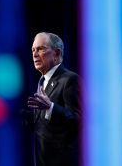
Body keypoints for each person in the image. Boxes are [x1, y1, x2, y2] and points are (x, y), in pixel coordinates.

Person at [25, 32, 81, 166]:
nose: (35, 54)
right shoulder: (41, 82)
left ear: (56, 53)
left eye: (41, 49)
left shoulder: (70, 80)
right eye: (33, 50)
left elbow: (79, 120)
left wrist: (51, 107)